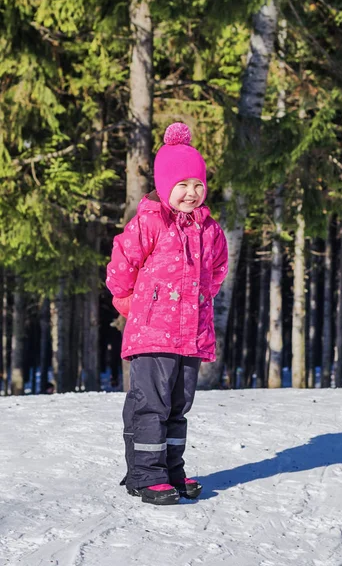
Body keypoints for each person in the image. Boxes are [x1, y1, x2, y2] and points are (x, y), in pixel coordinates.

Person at [106, 122, 228, 505]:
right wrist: (127, 300)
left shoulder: (210, 230)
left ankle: (172, 469)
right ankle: (146, 474)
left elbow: (218, 268)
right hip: (152, 333)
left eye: (198, 185)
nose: (191, 193)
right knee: (151, 404)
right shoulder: (150, 222)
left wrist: (202, 299)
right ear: (164, 186)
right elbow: (121, 264)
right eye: (182, 185)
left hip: (190, 336)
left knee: (178, 407)